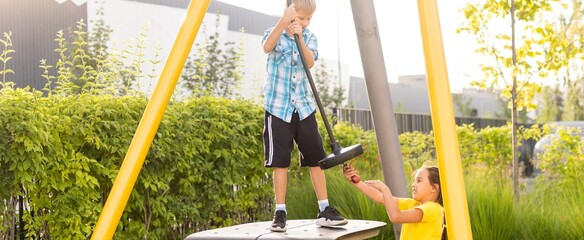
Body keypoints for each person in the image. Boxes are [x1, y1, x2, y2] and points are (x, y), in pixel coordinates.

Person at [261, 0, 347, 232]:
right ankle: (280, 212)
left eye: (308, 19)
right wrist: (283, 24)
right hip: (278, 108)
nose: (305, 22)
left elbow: (309, 62)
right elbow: (267, 47)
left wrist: (299, 35)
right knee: (280, 163)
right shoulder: (275, 31)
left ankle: (324, 209)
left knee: (316, 159)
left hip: (304, 107)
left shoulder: (309, 37)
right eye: (300, 18)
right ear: (289, 14)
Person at [343, 164, 446, 240]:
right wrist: (355, 181)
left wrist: (385, 189)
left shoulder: (433, 209)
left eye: (419, 181)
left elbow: (395, 216)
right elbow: (380, 197)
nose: (413, 184)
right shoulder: (412, 204)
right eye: (414, 181)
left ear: (434, 188)